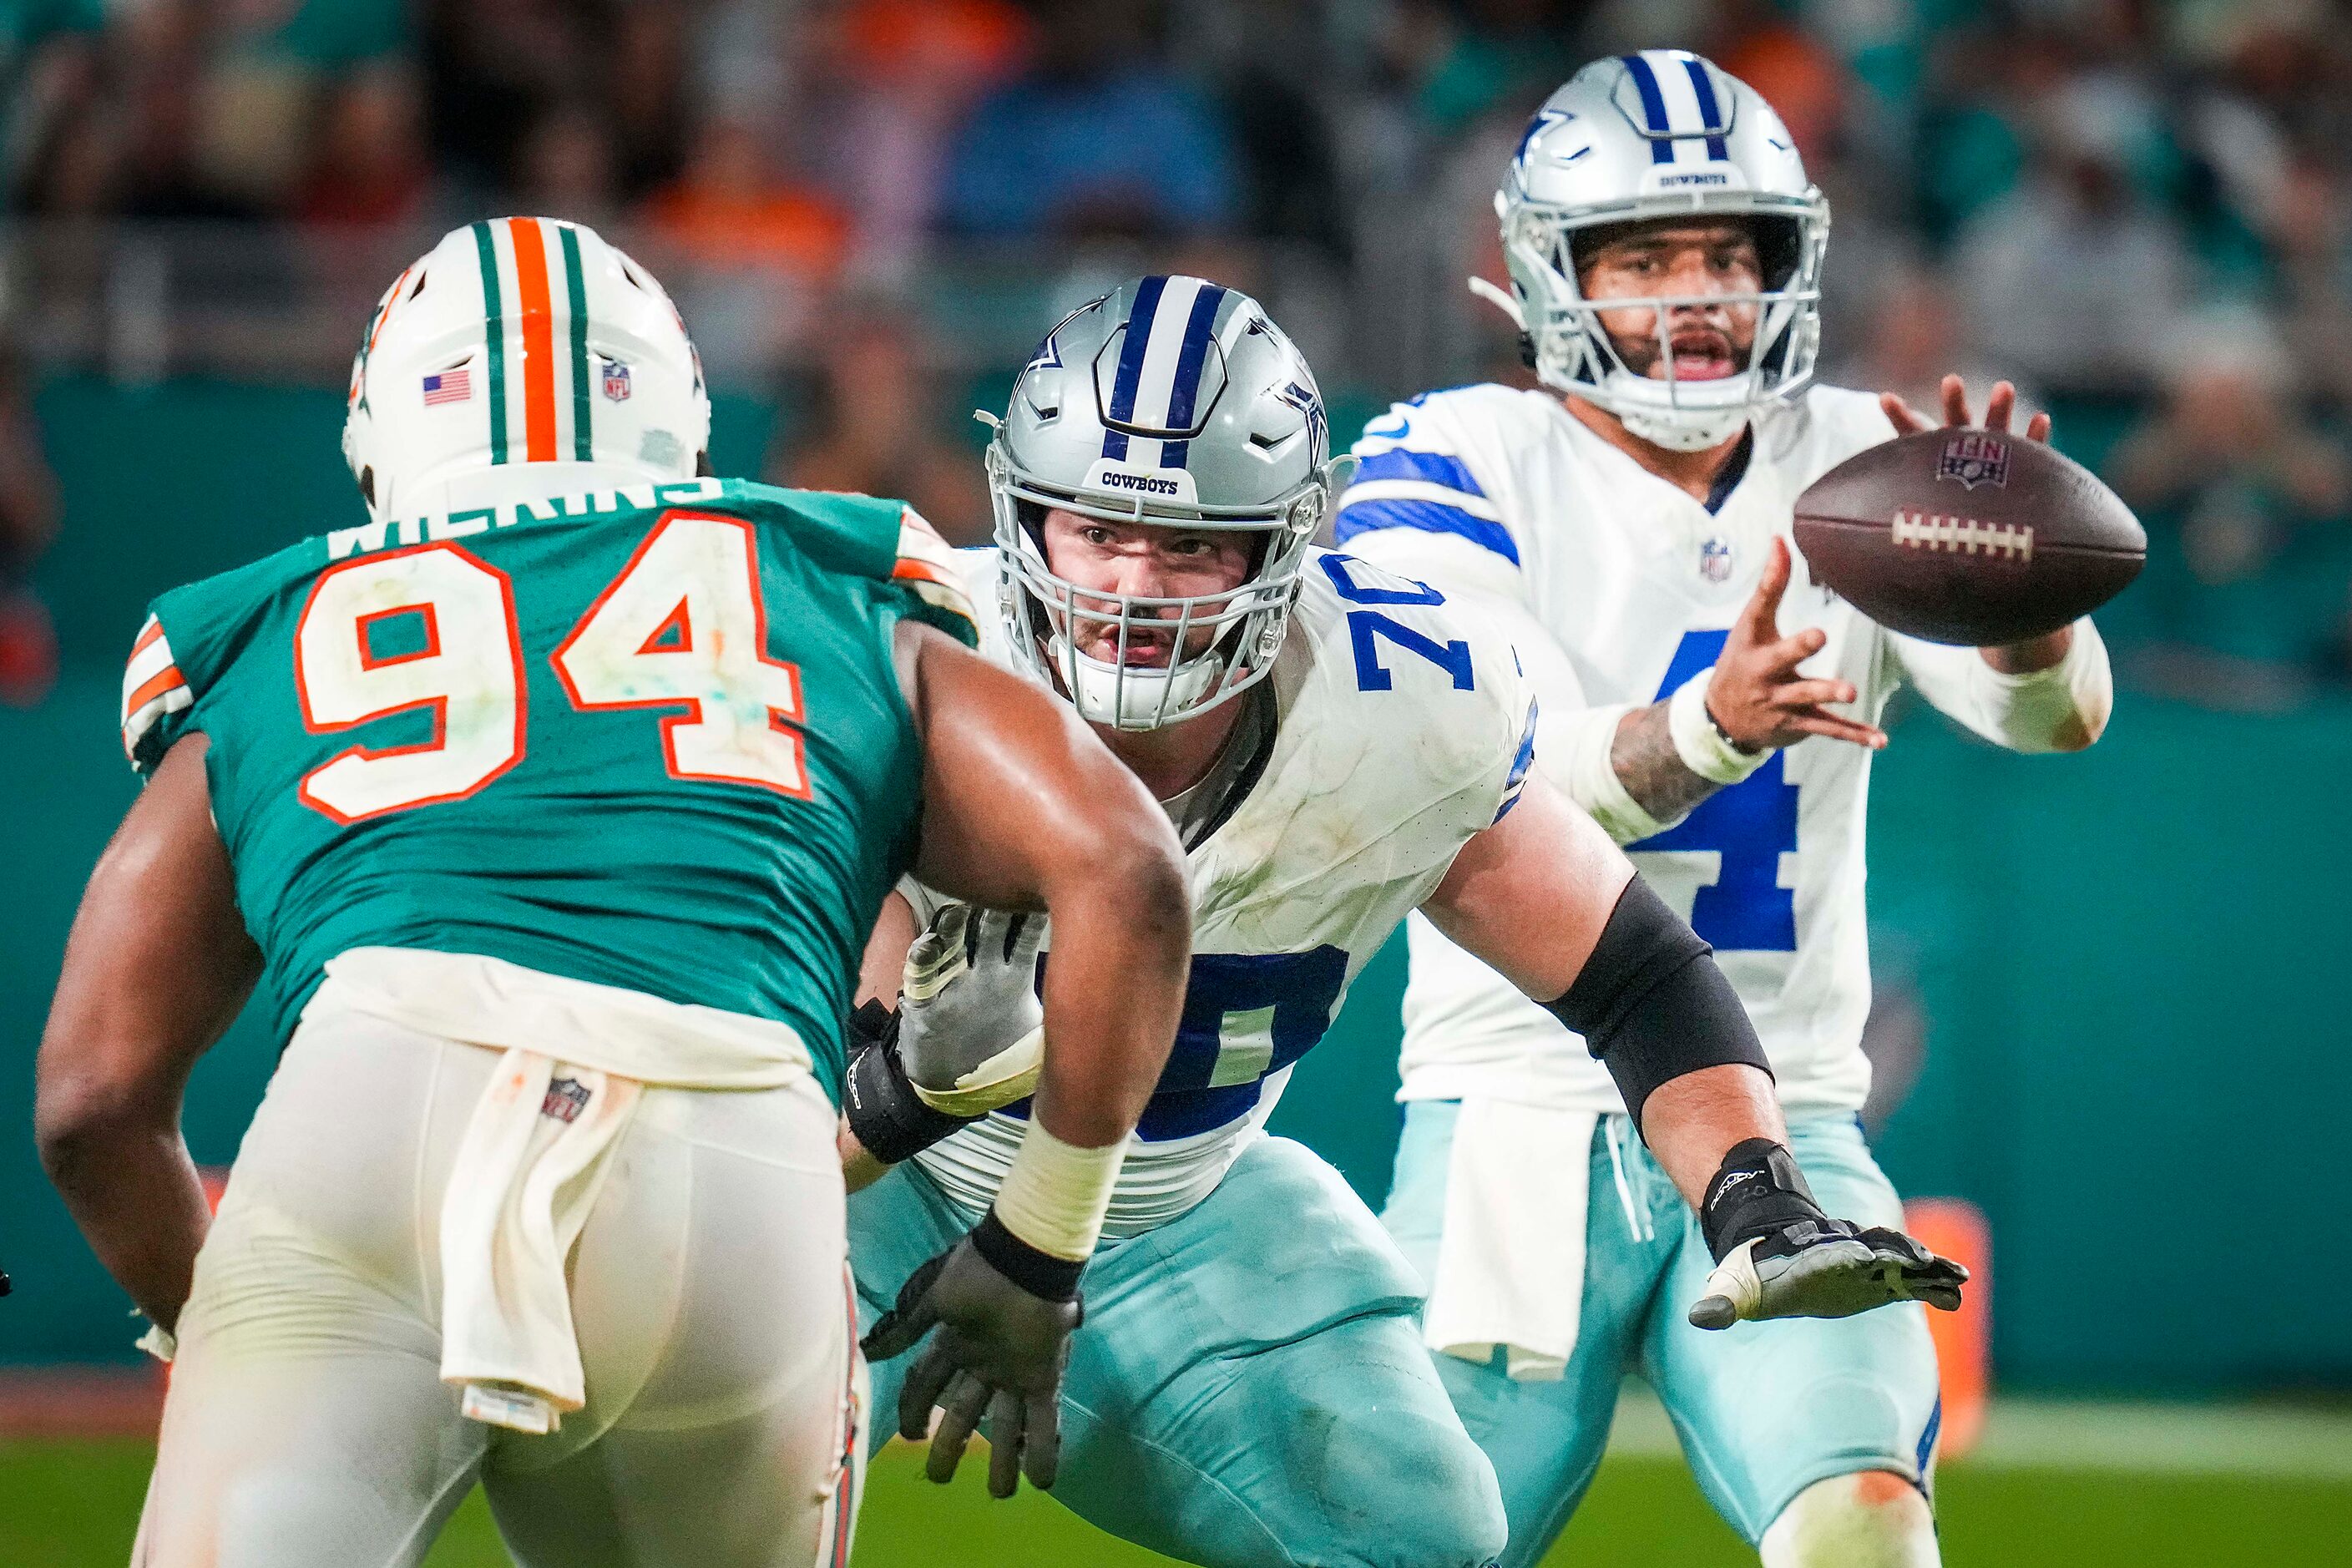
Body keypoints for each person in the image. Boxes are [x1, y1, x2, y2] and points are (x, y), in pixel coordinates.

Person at [34, 217, 1195, 1568]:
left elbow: (91, 1099)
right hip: (730, 1156)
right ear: (684, 422)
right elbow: (1124, 870)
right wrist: (1040, 1246)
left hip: (372, 1111)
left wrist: (236, 1317)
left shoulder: (269, 630)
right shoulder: (828, 582)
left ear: (381, 434)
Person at [837, 274, 1964, 1568]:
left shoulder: (1393, 699)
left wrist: (1755, 1194)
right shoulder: (904, 649)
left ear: (1284, 542)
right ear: (1020, 516)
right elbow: (765, 1100)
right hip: (864, 1187)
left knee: (1426, 1535)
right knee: (740, 1489)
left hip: (1175, 1207)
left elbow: (1633, 975)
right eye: (1096, 530)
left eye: (1192, 542)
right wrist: (900, 1108)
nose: (1136, 584)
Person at [1335, 52, 2116, 1568]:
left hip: (1792, 1124)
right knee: (1406, 1545)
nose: (1693, 294)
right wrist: (1699, 732)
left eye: (1723, 253)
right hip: (1519, 1122)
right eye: (1642, 257)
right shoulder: (1455, 455)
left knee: (1863, 1530)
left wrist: (2016, 612)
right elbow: (1442, 778)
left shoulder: (1861, 462)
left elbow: (2053, 717)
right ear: (1551, 277)